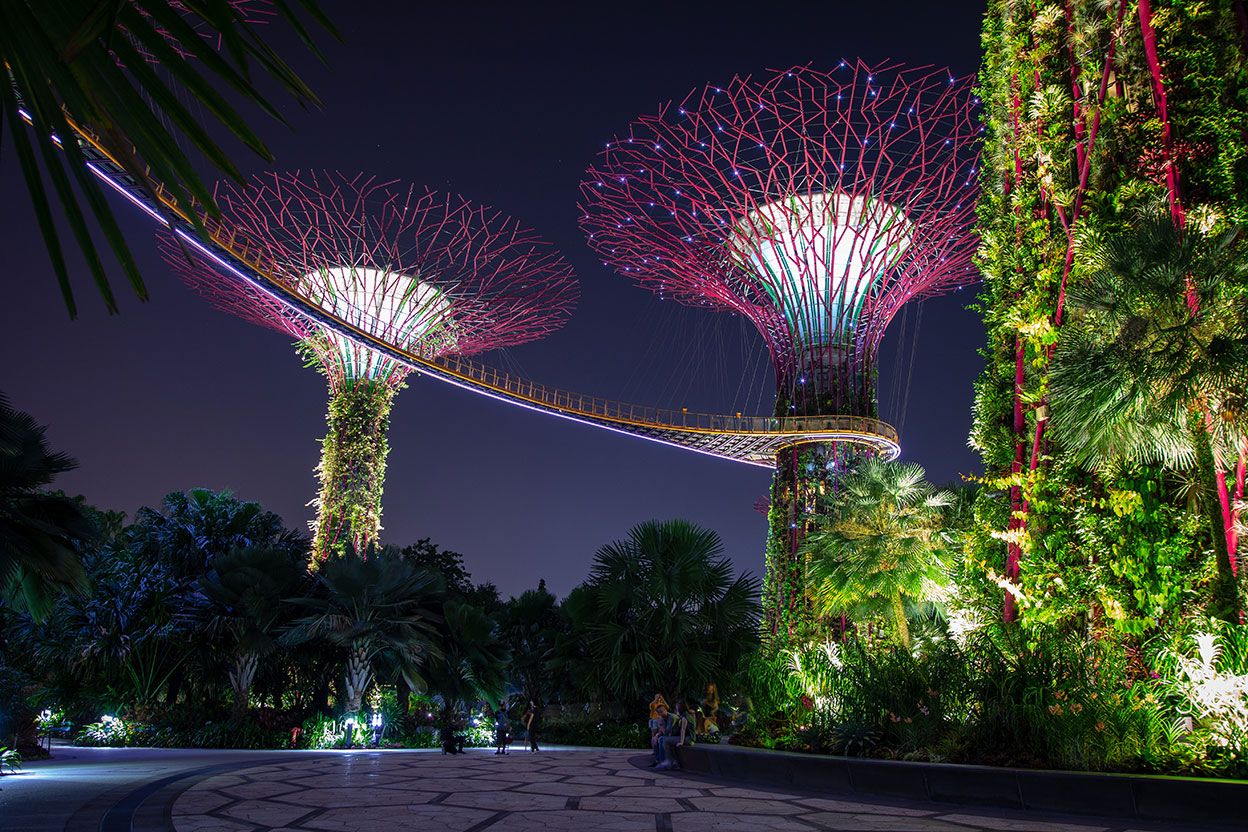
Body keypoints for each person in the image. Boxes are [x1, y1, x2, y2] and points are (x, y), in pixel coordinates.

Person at [655, 700, 693, 771]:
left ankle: (668, 762)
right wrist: (657, 734)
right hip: (679, 736)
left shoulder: (677, 717)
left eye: (677, 707)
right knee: (659, 739)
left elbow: (682, 730)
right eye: (658, 712)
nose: (676, 709)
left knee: (664, 740)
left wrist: (681, 742)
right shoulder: (682, 716)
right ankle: (660, 761)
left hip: (688, 738)